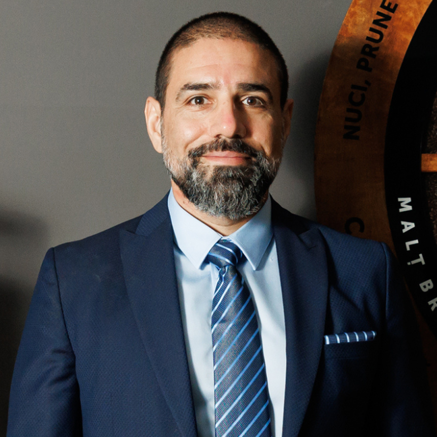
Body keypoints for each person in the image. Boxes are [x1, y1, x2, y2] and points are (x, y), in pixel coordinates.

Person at [7, 11, 435, 437]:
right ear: (157, 124)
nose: (228, 125)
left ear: (284, 122)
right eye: (199, 99)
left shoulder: (366, 272)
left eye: (253, 100)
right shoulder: (74, 283)